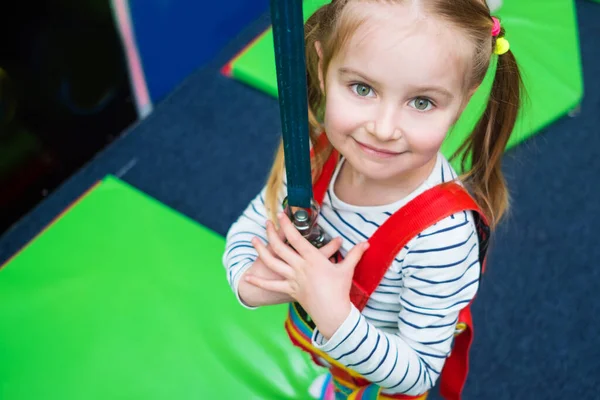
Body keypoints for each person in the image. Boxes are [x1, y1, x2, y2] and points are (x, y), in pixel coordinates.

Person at [223, 0, 522, 398]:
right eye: (362, 88)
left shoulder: (443, 238)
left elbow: (417, 373)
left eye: (421, 102)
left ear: (463, 102)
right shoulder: (316, 154)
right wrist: (248, 283)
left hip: (382, 378)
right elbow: (249, 228)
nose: (382, 129)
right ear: (322, 67)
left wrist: (335, 317)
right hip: (332, 351)